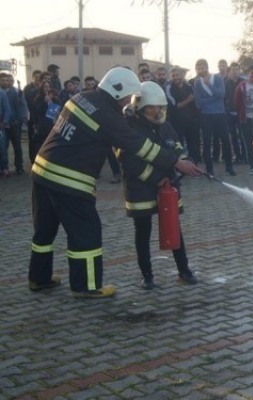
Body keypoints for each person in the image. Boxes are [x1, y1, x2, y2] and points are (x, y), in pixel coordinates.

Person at [28, 67, 202, 299]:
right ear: (118, 91)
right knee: (86, 231)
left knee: (45, 229)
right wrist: (176, 163)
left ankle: (39, 277)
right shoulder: (107, 116)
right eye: (128, 97)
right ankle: (86, 286)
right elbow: (138, 145)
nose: (128, 103)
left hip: (42, 170)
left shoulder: (82, 97)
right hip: (67, 178)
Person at [118, 81, 198, 289]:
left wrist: (185, 162)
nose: (157, 111)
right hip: (140, 187)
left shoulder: (164, 124)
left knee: (174, 228)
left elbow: (176, 145)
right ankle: (147, 276)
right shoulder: (129, 127)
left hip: (168, 185)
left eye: (160, 107)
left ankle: (184, 271)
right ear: (140, 106)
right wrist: (156, 178)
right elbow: (129, 161)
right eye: (152, 107)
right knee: (142, 231)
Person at [192, 58, 235, 178]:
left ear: (207, 67)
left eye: (202, 68)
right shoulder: (196, 83)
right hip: (206, 116)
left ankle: (229, 166)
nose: (201, 70)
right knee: (206, 142)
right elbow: (198, 103)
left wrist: (209, 85)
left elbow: (222, 94)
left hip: (220, 114)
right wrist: (214, 98)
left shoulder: (217, 78)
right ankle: (209, 168)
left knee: (226, 141)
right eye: (198, 69)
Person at [168, 67, 201, 164]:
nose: (175, 77)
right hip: (177, 122)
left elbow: (194, 102)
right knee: (179, 145)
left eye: (177, 75)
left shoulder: (189, 86)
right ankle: (182, 167)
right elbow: (174, 106)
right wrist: (188, 100)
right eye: (173, 76)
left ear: (181, 75)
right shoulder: (169, 88)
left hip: (191, 121)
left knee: (193, 144)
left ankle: (195, 165)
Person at [235, 64, 253, 174]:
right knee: (249, 143)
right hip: (246, 119)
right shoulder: (241, 86)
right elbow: (236, 101)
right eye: (251, 73)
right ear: (248, 74)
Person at [0, 73, 28, 174]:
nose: (7, 82)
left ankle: (19, 167)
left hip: (14, 123)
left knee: (17, 146)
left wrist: (20, 119)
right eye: (4, 80)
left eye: (10, 80)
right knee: (3, 147)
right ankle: (4, 167)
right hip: (3, 124)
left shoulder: (17, 92)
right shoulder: (1, 92)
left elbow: (22, 106)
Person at [31, 80, 62, 160]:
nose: (47, 89)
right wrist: (45, 102)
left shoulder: (55, 98)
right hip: (43, 126)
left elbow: (57, 110)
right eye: (45, 87)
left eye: (48, 87)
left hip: (53, 125)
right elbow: (38, 111)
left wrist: (52, 101)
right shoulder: (38, 98)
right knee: (41, 145)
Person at [225, 63, 245, 164]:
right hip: (230, 113)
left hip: (241, 113)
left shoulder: (243, 82)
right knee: (233, 136)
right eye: (233, 69)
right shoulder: (225, 83)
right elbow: (224, 98)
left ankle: (245, 156)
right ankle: (237, 156)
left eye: (237, 69)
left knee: (243, 136)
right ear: (229, 71)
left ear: (239, 71)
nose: (235, 72)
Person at [24, 70, 42, 163]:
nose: (38, 79)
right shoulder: (27, 88)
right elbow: (27, 103)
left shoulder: (43, 88)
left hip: (41, 118)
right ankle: (32, 159)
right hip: (31, 117)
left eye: (40, 78)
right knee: (32, 139)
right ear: (33, 78)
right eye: (36, 77)